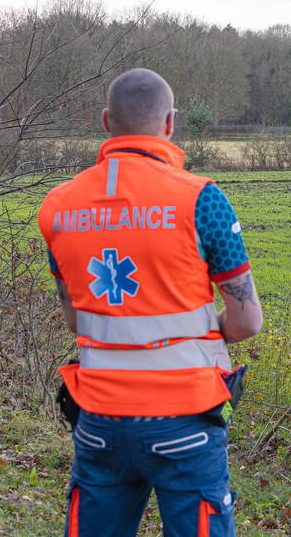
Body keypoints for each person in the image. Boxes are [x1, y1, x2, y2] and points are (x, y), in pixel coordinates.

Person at [38, 69, 263, 537]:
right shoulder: (203, 200)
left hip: (98, 417)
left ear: (105, 121)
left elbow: (75, 317)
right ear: (170, 123)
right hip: (187, 419)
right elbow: (246, 322)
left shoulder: (57, 206)